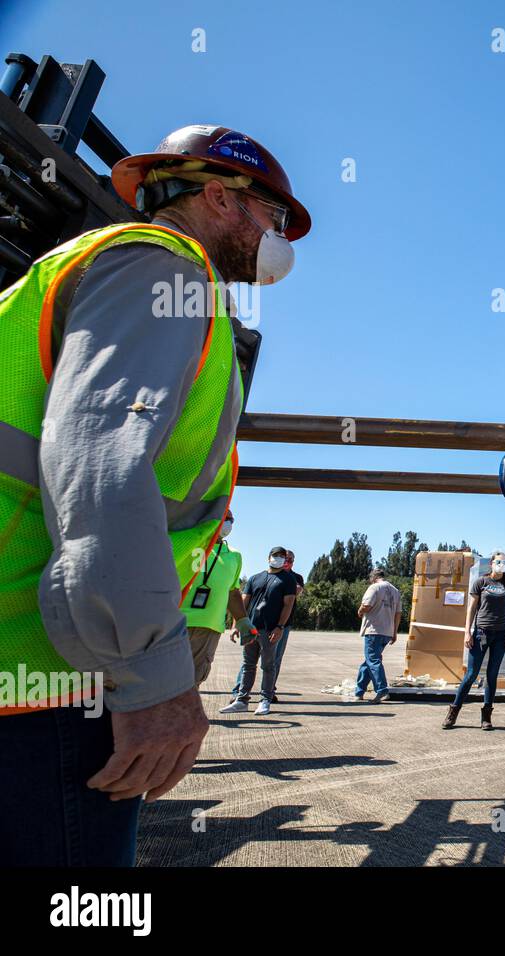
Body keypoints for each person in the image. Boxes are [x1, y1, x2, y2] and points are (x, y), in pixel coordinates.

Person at [0, 124, 309, 865]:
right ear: (219, 198)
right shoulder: (165, 272)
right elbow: (99, 469)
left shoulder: (94, 268)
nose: (278, 240)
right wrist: (153, 682)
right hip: (49, 680)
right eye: (272, 218)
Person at [443, 551, 505, 731]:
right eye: (498, 561)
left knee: (492, 676)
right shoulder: (481, 582)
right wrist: (467, 632)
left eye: (504, 562)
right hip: (481, 633)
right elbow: (471, 608)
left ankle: (486, 717)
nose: (501, 564)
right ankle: (453, 712)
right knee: (471, 674)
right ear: (491, 563)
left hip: (501, 634)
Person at [221, 547, 298, 716]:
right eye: (275, 555)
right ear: (268, 557)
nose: (278, 559)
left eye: (282, 556)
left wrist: (280, 627)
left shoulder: (288, 580)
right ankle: (241, 700)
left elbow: (288, 605)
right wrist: (236, 625)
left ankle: (265, 701)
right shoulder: (256, 578)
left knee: (268, 666)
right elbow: (243, 603)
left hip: (270, 630)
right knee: (248, 665)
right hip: (251, 628)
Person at [182, 511, 250, 687]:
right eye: (223, 517)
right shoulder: (187, 544)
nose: (227, 523)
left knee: (193, 681)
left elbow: (233, 593)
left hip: (209, 627)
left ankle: (184, 714)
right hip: (175, 623)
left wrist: (243, 622)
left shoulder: (234, 556)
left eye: (230, 520)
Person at [352, 568, 402, 703]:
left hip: (374, 630)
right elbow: (398, 614)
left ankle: (382, 690)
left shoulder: (374, 587)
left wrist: (360, 611)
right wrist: (394, 632)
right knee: (369, 661)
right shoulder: (395, 591)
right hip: (387, 631)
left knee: (373, 661)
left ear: (373, 578)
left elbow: (366, 605)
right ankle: (359, 691)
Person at [268, 548, 305, 703]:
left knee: (276, 658)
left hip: (284, 623)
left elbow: (296, 591)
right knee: (251, 659)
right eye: (285, 559)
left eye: (290, 560)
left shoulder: (296, 578)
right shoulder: (268, 575)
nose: (287, 562)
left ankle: (270, 690)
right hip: (265, 621)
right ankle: (241, 691)